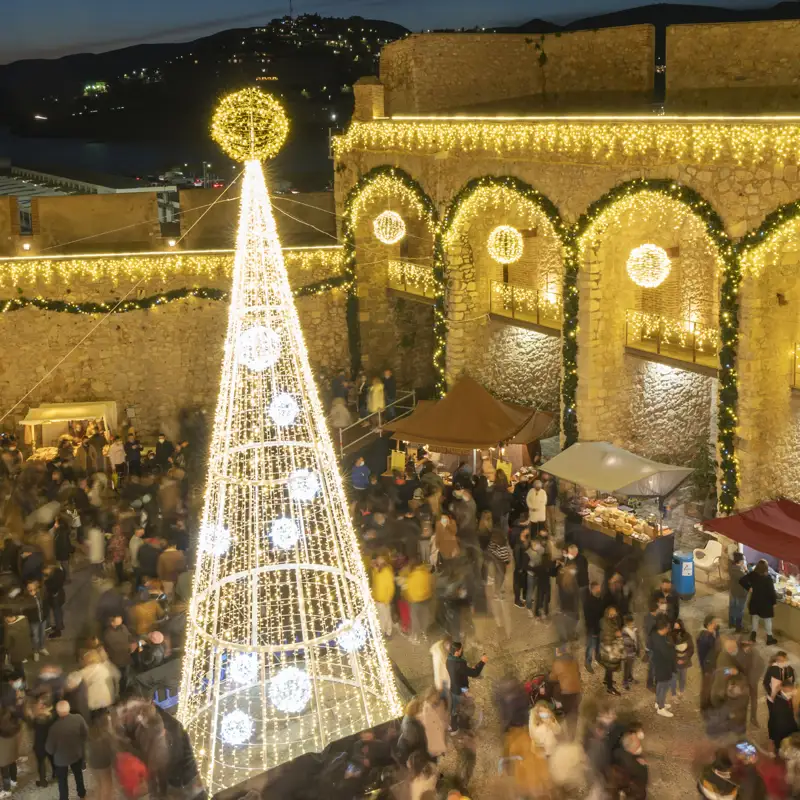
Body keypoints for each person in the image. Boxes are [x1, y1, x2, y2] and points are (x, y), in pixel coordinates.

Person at [46, 700, 88, 800]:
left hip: (61, 760)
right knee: (78, 775)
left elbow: (49, 749)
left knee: (62, 781)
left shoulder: (54, 728)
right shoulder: (78, 718)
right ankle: (82, 794)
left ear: (58, 712)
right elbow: (85, 734)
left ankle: (64, 798)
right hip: (76, 754)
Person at [446, 642, 487, 732]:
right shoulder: (459, 664)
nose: (462, 651)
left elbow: (459, 673)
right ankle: (464, 727)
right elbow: (474, 673)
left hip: (453, 688)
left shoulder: (448, 660)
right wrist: (482, 662)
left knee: (455, 709)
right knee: (468, 707)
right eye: (461, 650)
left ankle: (454, 727)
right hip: (460, 691)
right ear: (457, 652)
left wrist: (467, 669)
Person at [740, 559, 778, 646]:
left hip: (755, 601)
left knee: (755, 618)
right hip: (766, 604)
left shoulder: (753, 574)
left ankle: (753, 636)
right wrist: (774, 602)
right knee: (768, 620)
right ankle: (769, 638)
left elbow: (742, 580)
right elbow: (771, 591)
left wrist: (749, 588)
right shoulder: (768, 578)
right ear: (765, 568)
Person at [549, 645, 581, 733]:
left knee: (555, 693)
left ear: (559, 653)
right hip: (576, 691)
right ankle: (572, 735)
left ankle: (559, 709)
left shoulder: (557, 663)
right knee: (573, 714)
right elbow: (578, 673)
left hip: (565, 693)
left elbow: (553, 678)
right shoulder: (574, 660)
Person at [650, 615, 677, 717]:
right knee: (664, 687)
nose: (669, 629)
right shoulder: (661, 641)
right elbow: (668, 654)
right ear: (664, 628)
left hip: (658, 665)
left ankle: (658, 703)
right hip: (663, 667)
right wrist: (673, 648)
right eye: (668, 627)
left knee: (660, 685)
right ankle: (661, 708)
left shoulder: (655, 634)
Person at [404, 557, 433, 643]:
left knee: (415, 618)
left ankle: (415, 637)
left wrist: (409, 597)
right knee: (424, 617)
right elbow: (430, 585)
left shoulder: (412, 575)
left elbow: (409, 588)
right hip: (426, 598)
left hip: (415, 600)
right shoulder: (426, 573)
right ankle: (424, 633)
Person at [738, 637, 765, 729]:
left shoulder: (755, 653)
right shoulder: (737, 654)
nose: (748, 648)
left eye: (749, 645)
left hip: (753, 681)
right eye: (745, 646)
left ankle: (753, 718)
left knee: (754, 700)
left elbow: (761, 665)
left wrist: (756, 677)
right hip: (743, 681)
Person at [102, 615, 133, 694]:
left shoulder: (123, 627)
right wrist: (129, 647)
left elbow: (129, 637)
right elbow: (114, 647)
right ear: (112, 623)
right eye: (118, 623)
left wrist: (132, 642)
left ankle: (123, 691)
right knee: (118, 678)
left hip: (126, 658)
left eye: (121, 622)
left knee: (125, 677)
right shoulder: (108, 634)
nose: (121, 624)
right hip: (117, 660)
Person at [698, 614, 721, 711]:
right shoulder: (705, 638)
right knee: (707, 686)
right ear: (709, 624)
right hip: (708, 665)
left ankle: (709, 702)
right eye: (714, 622)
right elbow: (703, 654)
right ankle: (704, 705)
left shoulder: (711, 634)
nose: (716, 624)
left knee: (711, 684)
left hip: (712, 664)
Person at [599, 605, 624, 696]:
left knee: (608, 666)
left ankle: (606, 679)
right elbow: (608, 635)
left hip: (609, 647)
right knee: (610, 667)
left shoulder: (611, 620)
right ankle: (610, 688)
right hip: (609, 649)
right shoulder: (606, 624)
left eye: (615, 613)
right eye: (612, 614)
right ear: (608, 613)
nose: (614, 615)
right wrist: (617, 634)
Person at [767, 682, 798, 752]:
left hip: (787, 734)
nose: (794, 691)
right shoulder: (779, 705)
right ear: (786, 689)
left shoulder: (786, 699)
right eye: (792, 689)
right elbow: (778, 724)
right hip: (783, 737)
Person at [371, 555, 395, 638]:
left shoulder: (387, 572)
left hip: (384, 600)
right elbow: (374, 585)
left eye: (379, 562)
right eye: (377, 562)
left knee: (386, 617)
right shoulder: (376, 572)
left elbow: (391, 587)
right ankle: (383, 631)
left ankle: (388, 632)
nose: (378, 563)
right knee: (381, 617)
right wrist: (373, 596)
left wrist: (387, 600)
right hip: (377, 599)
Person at [2, 609, 32, 675]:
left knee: (17, 666)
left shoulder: (9, 629)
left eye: (5, 618)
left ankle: (20, 677)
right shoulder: (24, 620)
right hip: (25, 647)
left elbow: (7, 644)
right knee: (20, 663)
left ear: (8, 617)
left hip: (16, 651)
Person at [24, 580, 49, 661]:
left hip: (43, 619)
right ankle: (35, 652)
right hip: (34, 621)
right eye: (29, 588)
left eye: (32, 587)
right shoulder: (26, 598)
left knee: (42, 634)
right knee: (35, 637)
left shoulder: (40, 595)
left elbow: (45, 605)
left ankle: (42, 648)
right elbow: (26, 611)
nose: (31, 589)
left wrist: (46, 614)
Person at [584, 581, 605, 673]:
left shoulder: (598, 599)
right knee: (590, 646)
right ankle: (588, 662)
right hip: (592, 628)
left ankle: (598, 656)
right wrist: (594, 631)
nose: (600, 589)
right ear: (593, 589)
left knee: (598, 644)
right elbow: (589, 618)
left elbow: (600, 613)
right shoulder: (588, 602)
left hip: (598, 626)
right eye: (598, 588)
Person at [671, 619, 694, 698]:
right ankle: (673, 693)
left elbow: (691, 649)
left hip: (684, 660)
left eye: (678, 627)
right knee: (674, 677)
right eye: (675, 627)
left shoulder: (687, 636)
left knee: (683, 677)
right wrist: (676, 660)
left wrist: (684, 659)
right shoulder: (670, 636)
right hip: (674, 661)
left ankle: (681, 690)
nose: (676, 629)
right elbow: (670, 650)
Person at [0, 706, 20, 798]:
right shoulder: (13, 721)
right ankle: (14, 781)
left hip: (2, 753)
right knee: (12, 763)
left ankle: (7, 790)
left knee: (4, 772)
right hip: (12, 751)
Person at [729, 552, 748, 632]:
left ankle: (731, 623)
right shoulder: (739, 572)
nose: (744, 561)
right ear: (740, 561)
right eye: (743, 560)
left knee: (733, 608)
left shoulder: (731, 568)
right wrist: (746, 569)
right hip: (740, 593)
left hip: (733, 591)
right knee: (739, 610)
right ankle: (738, 627)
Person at [621, 613, 640, 691]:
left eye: (633, 622)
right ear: (627, 623)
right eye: (631, 623)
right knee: (626, 668)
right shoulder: (625, 631)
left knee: (630, 666)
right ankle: (625, 682)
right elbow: (627, 643)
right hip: (627, 653)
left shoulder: (634, 629)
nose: (632, 624)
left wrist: (638, 649)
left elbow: (637, 640)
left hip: (633, 652)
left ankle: (630, 678)